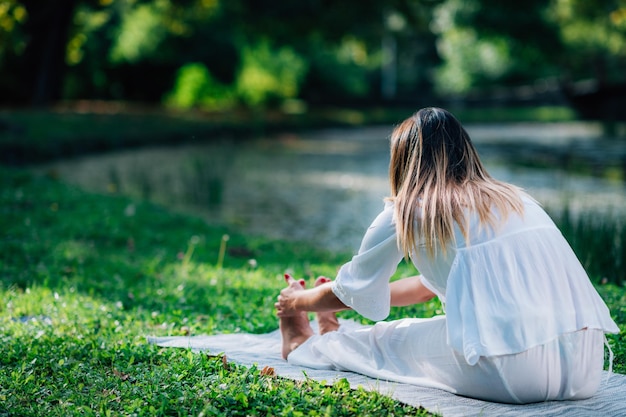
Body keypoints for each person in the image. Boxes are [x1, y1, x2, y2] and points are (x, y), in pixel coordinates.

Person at [274, 107, 619, 404]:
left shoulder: (409, 211)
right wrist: (337, 300)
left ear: (402, 163)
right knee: (412, 331)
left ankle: (301, 343)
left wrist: (295, 302)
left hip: (511, 373)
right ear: (464, 151)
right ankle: (332, 335)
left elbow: (348, 292)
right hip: (582, 370)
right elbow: (424, 288)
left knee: (384, 341)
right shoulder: (515, 200)